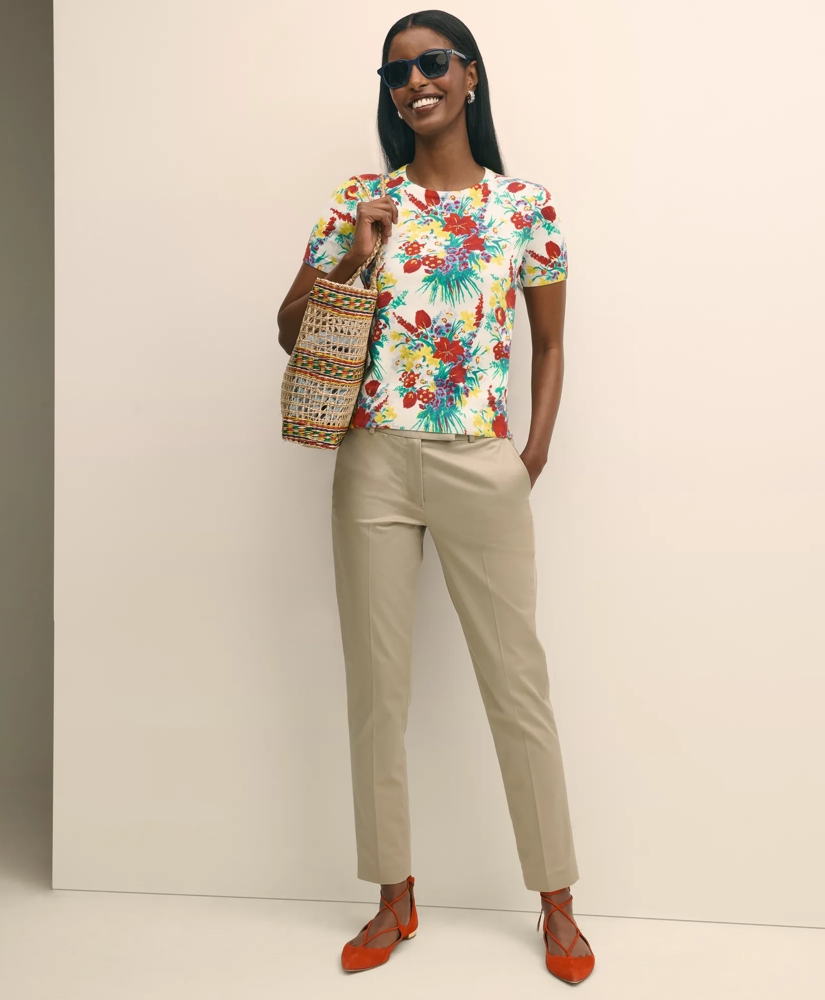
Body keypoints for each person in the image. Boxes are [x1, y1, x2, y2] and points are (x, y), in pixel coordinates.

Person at [277, 9, 595, 985]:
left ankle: (556, 900)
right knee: (376, 689)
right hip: (372, 460)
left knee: (517, 685)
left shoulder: (524, 207)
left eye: (432, 63)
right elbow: (290, 328)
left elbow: (549, 343)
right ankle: (392, 895)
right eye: (397, 72)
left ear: (469, 75)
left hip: (478, 460)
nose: (415, 81)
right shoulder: (361, 200)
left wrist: (530, 453)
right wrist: (356, 252)